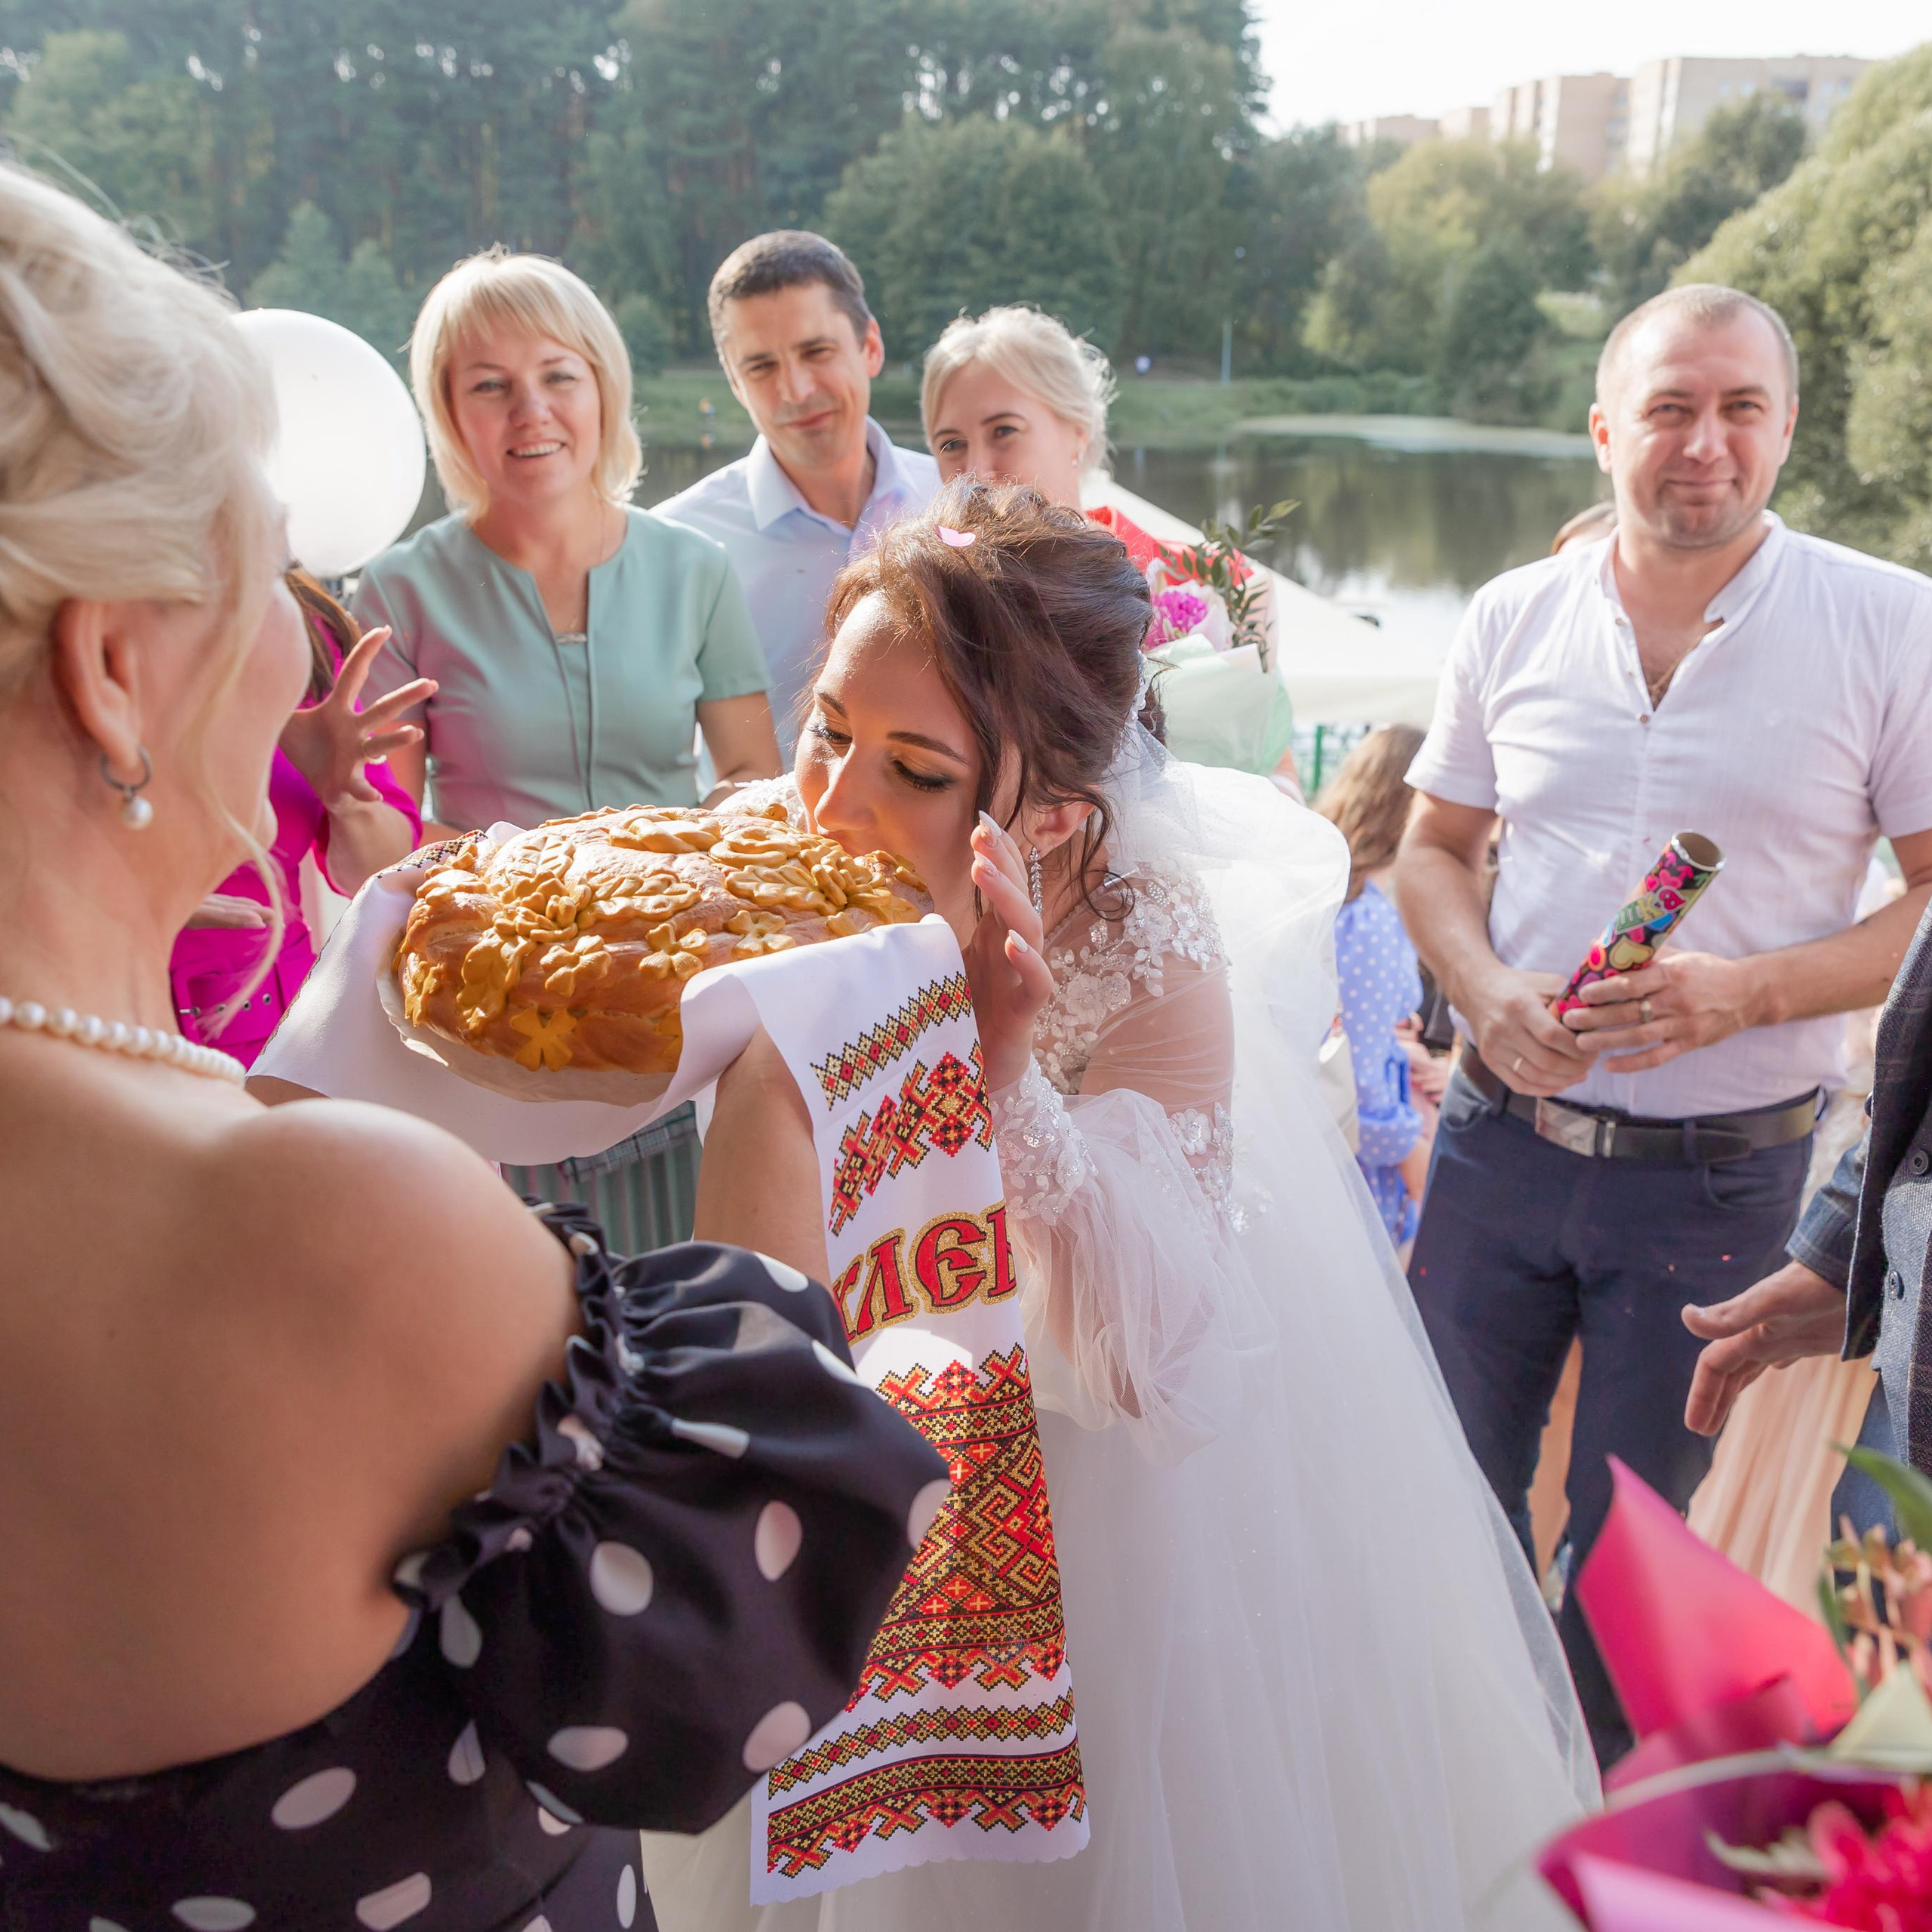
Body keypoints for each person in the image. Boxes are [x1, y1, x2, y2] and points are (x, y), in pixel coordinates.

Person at [0, 162, 946, 1932]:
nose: (299, 632)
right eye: (260, 572)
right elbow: (732, 1658)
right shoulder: (330, 1220)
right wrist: (784, 1087)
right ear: (114, 668)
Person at [638, 483, 1595, 1932]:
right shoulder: (799, 854)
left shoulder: (1148, 940)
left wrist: (1004, 1075)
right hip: (856, 1419)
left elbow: (1151, 1358)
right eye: (828, 728)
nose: (830, 802)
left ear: (1056, 813)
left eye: (914, 768)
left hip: (1101, 1510)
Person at [1396, 282, 1932, 1765]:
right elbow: (1428, 849)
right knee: (1439, 1500)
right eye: (1667, 409)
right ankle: (1463, 1801)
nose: (1703, 442)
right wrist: (1485, 990)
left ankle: (1583, 1838)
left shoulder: (1888, 622)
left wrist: (1745, 989)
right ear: (1599, 432)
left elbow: (1930, 911)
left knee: (1630, 1560)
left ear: (1783, 428)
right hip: (1494, 1142)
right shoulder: (1508, 610)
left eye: (1737, 408)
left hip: (1719, 1173)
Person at [357, 247, 783, 1252]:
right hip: (485, 1017)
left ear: (603, 386)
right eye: (490, 387)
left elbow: (754, 782)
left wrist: (696, 866)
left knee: (692, 1291)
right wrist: (340, 795)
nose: (530, 412)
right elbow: (379, 847)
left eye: (558, 375)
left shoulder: (698, 570)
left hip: (675, 999)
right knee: (527, 1331)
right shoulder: (396, 592)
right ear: (449, 413)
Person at [920, 303, 1299, 791]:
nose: (976, 468)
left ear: (1078, 429)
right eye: (951, 444)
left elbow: (1276, 772)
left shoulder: (1213, 583)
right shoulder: (930, 604)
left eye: (1003, 431)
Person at [654, 232, 938, 752]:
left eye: (817, 351)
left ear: (870, 346)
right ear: (735, 385)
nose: (796, 390)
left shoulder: (956, 501)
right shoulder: (674, 543)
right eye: (761, 367)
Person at [170, 571, 424, 1064]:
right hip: (92, 1017)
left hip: (278, 1038)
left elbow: (380, 872)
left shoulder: (290, 622)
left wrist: (345, 797)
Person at [1318, 725, 1437, 1247]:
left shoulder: (1335, 892)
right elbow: (1361, 1073)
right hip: (1363, 1159)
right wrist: (1409, 1148)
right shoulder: (1370, 917)